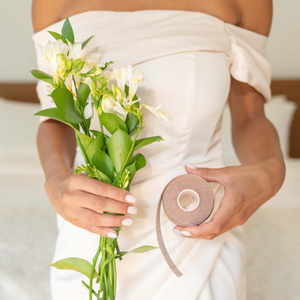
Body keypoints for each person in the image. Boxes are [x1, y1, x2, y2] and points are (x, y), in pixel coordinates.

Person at [31, 0, 285, 299]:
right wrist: (57, 180)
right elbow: (57, 118)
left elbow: (250, 115)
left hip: (197, 225)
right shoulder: (51, 3)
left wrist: (271, 170)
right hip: (93, 225)